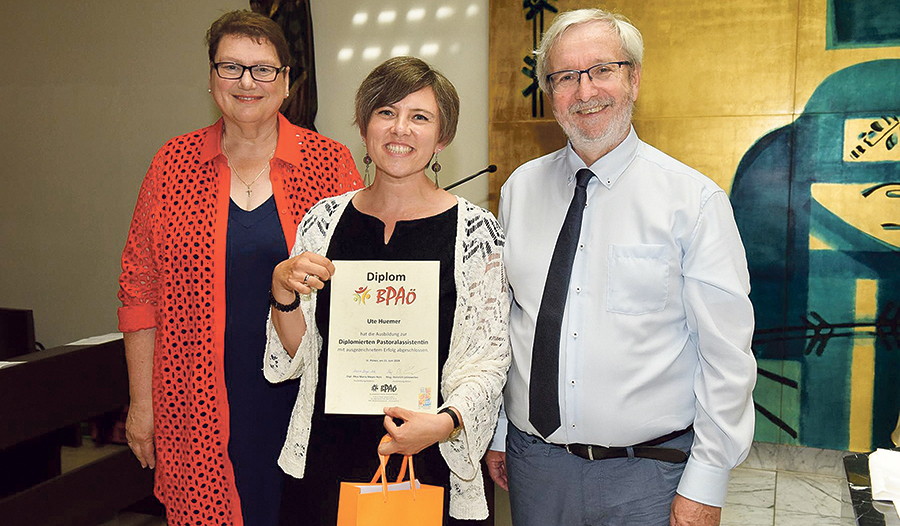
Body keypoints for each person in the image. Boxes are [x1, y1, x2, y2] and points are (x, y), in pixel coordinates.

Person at [485, 8, 756, 526]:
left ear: (633, 78)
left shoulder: (692, 200)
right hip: (534, 465)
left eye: (602, 70)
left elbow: (726, 356)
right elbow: (512, 324)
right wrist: (500, 432)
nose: (584, 91)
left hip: (649, 477)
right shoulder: (520, 189)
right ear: (548, 92)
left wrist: (708, 479)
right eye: (564, 77)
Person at [117, 10, 362, 526]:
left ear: (287, 81)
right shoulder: (172, 166)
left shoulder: (330, 163)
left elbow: (361, 283)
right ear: (211, 79)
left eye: (263, 69)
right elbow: (140, 291)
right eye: (231, 67)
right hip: (195, 401)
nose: (247, 82)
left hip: (303, 398)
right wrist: (143, 405)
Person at [263, 56, 510, 525]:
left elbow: (491, 356)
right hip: (327, 453)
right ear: (363, 124)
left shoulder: (475, 231)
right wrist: (282, 290)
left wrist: (445, 424)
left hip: (428, 452)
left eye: (420, 117)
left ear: (442, 137)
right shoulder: (323, 221)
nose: (401, 129)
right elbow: (299, 354)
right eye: (386, 112)